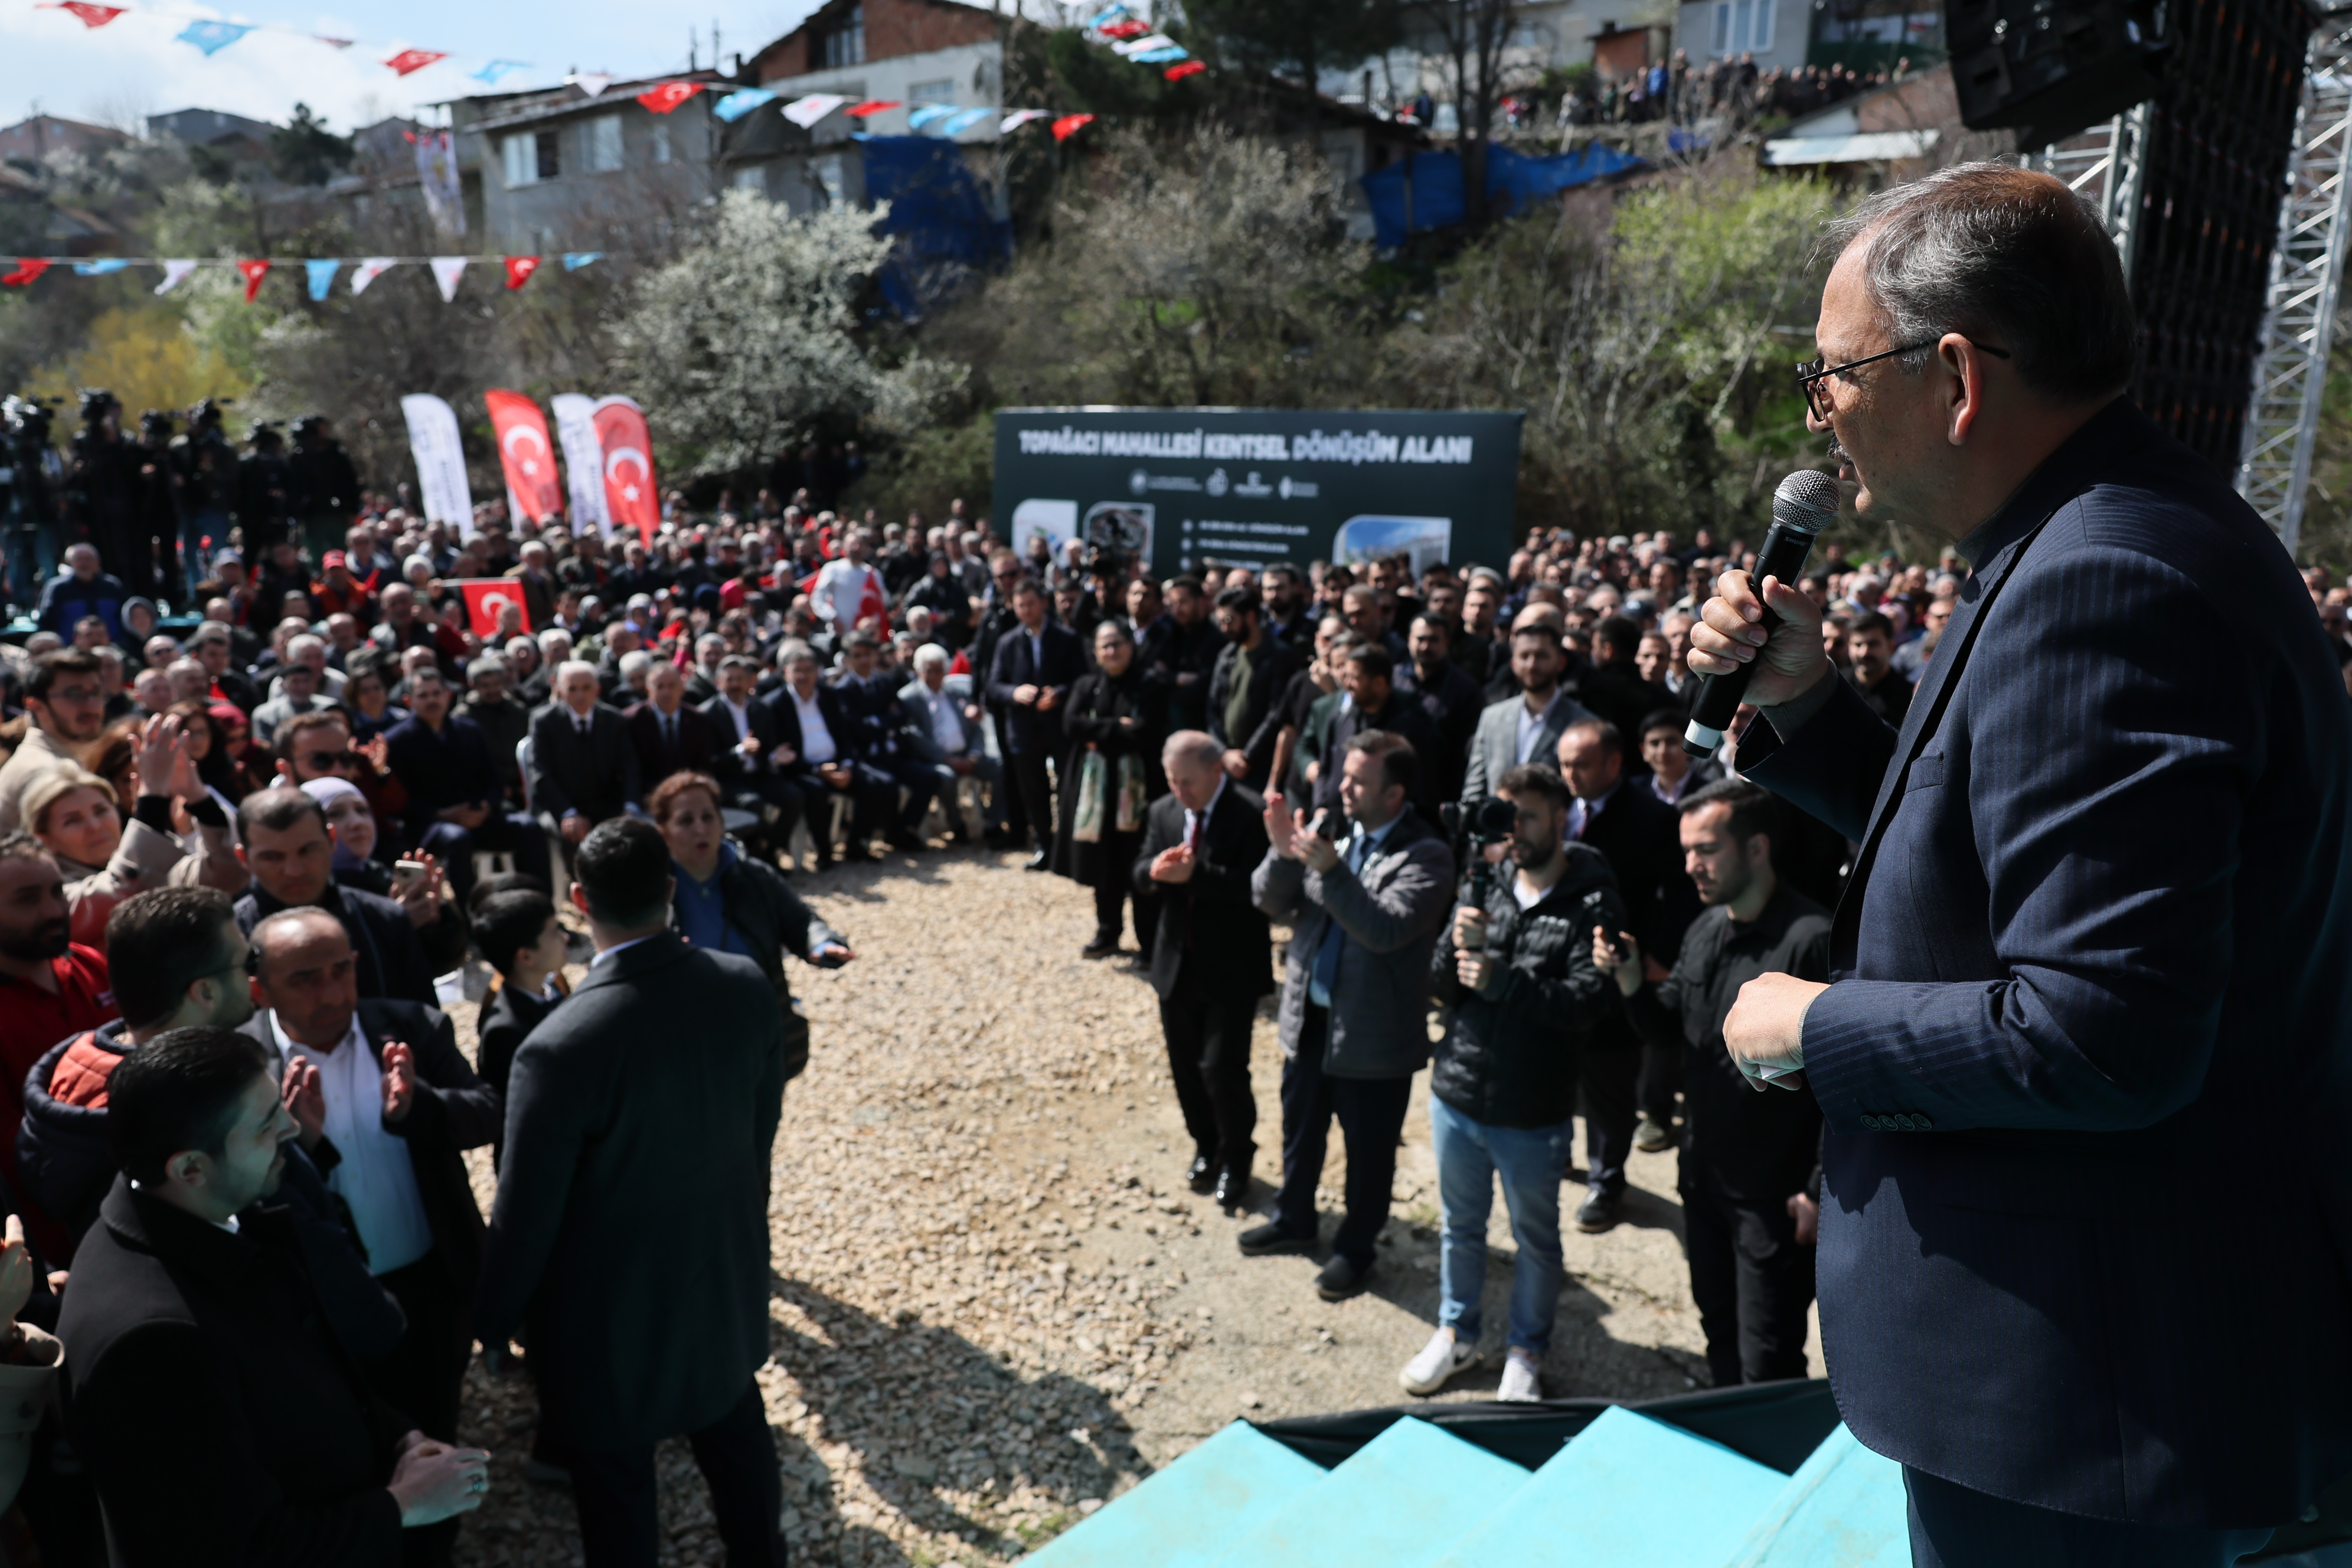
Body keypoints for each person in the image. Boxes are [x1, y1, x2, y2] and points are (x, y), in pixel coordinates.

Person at [1688, 163, 2352, 1563]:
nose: (1824, 417)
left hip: (2084, 1408)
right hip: (2091, 1383)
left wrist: (1809, 1025)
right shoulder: (2090, 537)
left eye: (1835, 374)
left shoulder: (2109, 581)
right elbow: (1998, 859)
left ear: (1953, 376)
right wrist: (1806, 710)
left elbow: (2103, 1031)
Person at [55, 1025, 492, 1567]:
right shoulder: (151, 1342)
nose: (291, 1126)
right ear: (190, 1167)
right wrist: (400, 1506)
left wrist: (397, 1438)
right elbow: (234, 1549)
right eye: (266, 1124)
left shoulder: (208, 1216)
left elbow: (303, 1380)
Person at [476, 818, 786, 1568]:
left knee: (616, 1487)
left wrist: (496, 1315)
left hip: (605, 1309)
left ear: (578, 900)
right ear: (671, 889)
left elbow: (527, 1206)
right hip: (720, 1262)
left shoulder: (558, 1043)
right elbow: (760, 1131)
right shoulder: (744, 983)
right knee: (736, 1435)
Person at [243, 907, 498, 1475]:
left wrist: (419, 1107)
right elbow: (238, 1197)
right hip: (324, 1304)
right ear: (260, 990)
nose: (332, 993)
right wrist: (298, 1148)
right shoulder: (243, 1065)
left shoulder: (412, 1028)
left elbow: (487, 1115)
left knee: (437, 1432)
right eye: (306, 979)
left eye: (341, 970)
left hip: (431, 1286)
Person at [1595, 779, 1830, 1389]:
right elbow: (1667, 1025)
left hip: (1772, 1199)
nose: (1691, 865)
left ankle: (1777, 1471)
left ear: (1756, 848)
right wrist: (1628, 981)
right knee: (1718, 1331)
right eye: (1686, 851)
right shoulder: (1704, 929)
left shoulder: (1811, 940)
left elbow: (1841, 1081)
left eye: (1707, 849)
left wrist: (1816, 1186)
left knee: (1768, 1359)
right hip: (1702, 1182)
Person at [1404, 763, 1623, 1402]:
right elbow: (1441, 986)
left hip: (1533, 1107)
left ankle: (1526, 1350)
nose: (1515, 828)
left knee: (1535, 1237)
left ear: (1561, 817)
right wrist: (1454, 944)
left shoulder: (1592, 899)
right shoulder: (1486, 881)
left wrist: (1505, 982)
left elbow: (1587, 1003)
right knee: (1459, 1226)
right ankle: (1456, 1332)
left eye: (1528, 813)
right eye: (1507, 813)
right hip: (1459, 1092)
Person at [1244, 732, 1454, 1301]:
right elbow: (1268, 900)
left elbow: (1387, 930)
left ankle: (1355, 1250)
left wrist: (1332, 871)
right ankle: (1294, 1218)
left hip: (1375, 1035)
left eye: (1359, 781)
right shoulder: (1331, 830)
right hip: (1310, 1020)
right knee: (1300, 1130)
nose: (1343, 786)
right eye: (1345, 774)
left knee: (1368, 1154)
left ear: (1395, 794)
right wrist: (1285, 852)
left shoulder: (1428, 854)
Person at [1554, 717, 1703, 1226]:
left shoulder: (1651, 817)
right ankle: (1558, 1152)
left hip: (1619, 972)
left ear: (1615, 764)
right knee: (1557, 1072)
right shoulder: (1554, 810)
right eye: (1565, 764)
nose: (1570, 775)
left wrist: (1659, 956)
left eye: (1582, 765)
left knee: (1609, 1085)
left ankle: (1606, 1181)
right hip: (1556, 966)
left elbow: (1682, 895)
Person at [1134, 731, 1270, 1209]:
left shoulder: (1251, 814)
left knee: (1223, 1069)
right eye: (1172, 780)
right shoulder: (1164, 811)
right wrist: (1156, 871)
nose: (1179, 791)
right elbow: (1139, 869)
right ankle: (1205, 1144)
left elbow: (1262, 889)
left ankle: (1238, 1157)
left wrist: (1200, 877)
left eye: (1188, 782)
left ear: (1217, 772)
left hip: (1232, 967)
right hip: (1177, 963)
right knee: (1186, 1068)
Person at [651, 770, 851, 1093]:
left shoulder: (755, 876)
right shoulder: (652, 891)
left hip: (760, 1029)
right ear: (664, 832)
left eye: (708, 816)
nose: (701, 828)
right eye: (686, 821)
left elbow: (801, 921)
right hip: (689, 1039)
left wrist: (822, 943)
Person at [234, 788, 440, 1007]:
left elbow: (424, 1021)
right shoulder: (231, 940)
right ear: (244, 858)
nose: (294, 870)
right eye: (273, 858)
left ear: (332, 839)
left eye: (307, 851)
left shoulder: (384, 919)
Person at [385, 665, 554, 907]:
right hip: (433, 827)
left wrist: (486, 807)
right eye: (423, 695)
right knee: (457, 839)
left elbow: (493, 781)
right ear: (408, 700)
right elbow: (400, 802)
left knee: (529, 827)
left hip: (479, 818)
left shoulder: (469, 731)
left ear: (448, 695)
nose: (432, 700)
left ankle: (541, 906)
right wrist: (443, 814)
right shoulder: (397, 741)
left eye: (436, 693)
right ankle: (472, 916)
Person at [1057, 620, 1166, 957]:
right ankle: (1108, 932)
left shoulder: (1148, 685)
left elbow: (1145, 732)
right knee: (1101, 864)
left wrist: (1098, 733)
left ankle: (1149, 942)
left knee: (1139, 863)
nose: (1111, 651)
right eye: (1104, 646)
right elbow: (1071, 725)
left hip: (1137, 792)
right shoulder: (1087, 685)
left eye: (1117, 644)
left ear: (1131, 647)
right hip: (1097, 795)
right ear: (1096, 653)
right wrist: (1117, 726)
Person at [986, 577, 1085, 870]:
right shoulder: (1007, 643)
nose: (1026, 610)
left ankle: (1069, 850)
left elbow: (1082, 680)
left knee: (1068, 788)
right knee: (1034, 792)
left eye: (1031, 603)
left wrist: (1061, 694)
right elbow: (993, 685)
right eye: (1020, 606)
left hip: (1059, 726)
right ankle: (1045, 847)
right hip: (1024, 728)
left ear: (1043, 603)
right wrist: (1014, 693)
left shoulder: (1067, 638)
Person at [469, 887, 571, 1164]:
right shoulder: (505, 1031)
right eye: (554, 931)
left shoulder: (551, 989)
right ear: (526, 957)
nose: (565, 937)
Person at [1459, 622, 1591, 806]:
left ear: (1561, 662)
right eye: (1524, 656)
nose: (1532, 665)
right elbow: (1475, 788)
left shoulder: (1583, 725)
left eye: (1541, 656)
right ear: (1513, 663)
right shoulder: (1492, 718)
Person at [527, 661, 643, 855]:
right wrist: (568, 813)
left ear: (597, 689)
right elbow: (540, 773)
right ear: (560, 690)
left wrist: (630, 807)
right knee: (572, 839)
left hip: (605, 804)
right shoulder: (544, 721)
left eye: (586, 688)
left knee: (628, 842)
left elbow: (630, 766)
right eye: (572, 689)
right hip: (561, 806)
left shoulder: (614, 720)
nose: (580, 695)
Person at [899, 643, 1006, 847]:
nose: (936, 676)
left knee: (1000, 767)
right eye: (930, 671)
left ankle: (993, 822)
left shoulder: (957, 692)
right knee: (944, 777)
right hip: (937, 760)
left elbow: (976, 728)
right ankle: (957, 824)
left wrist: (973, 756)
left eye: (940, 670)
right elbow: (915, 737)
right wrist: (947, 759)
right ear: (920, 671)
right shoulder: (909, 697)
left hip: (967, 755)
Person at [0, 648, 107, 835]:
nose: (92, 705)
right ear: (36, 706)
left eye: (96, 692)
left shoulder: (67, 755)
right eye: (75, 694)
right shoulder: (45, 772)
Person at [1205, 586, 1301, 792]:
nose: (1224, 628)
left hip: (1260, 767)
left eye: (1229, 620)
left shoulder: (1280, 656)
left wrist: (1247, 757)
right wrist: (1224, 753)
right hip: (1226, 763)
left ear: (1250, 616)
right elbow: (1212, 709)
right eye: (1220, 621)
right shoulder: (1227, 655)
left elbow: (1276, 713)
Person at [627, 659, 720, 789]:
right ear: (648, 690)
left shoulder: (698, 719)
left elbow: (703, 766)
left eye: (672, 686)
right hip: (647, 792)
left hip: (687, 791)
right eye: (660, 686)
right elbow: (631, 768)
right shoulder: (632, 720)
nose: (666, 692)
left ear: (682, 688)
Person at [1840, 609, 1913, 724]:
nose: (1864, 653)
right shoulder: (1835, 685)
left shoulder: (1909, 697)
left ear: (1890, 646)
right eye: (1858, 645)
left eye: (1873, 644)